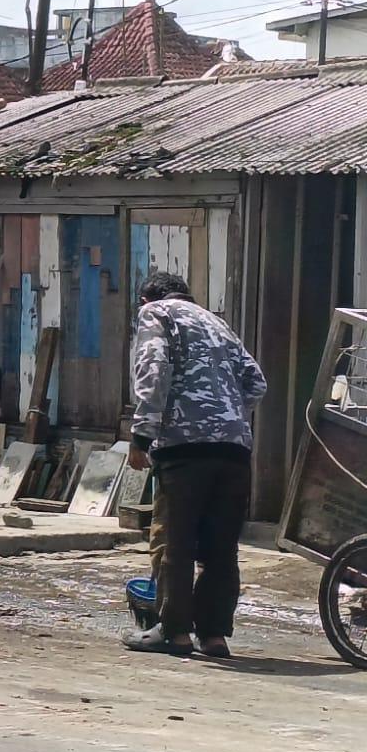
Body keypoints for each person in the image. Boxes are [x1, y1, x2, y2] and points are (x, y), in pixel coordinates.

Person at [123, 271, 266, 658]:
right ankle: (215, 636)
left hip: (185, 448)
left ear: (144, 300)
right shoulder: (217, 323)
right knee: (222, 549)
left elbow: (153, 372)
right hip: (234, 448)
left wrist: (142, 435)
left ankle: (176, 633)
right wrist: (227, 416)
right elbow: (256, 382)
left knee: (177, 541)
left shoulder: (157, 314)